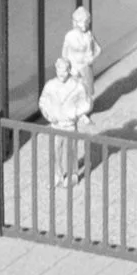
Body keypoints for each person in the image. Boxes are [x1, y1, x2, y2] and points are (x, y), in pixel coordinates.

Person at [38, 56, 90, 187]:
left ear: (69, 70)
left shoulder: (77, 86)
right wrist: (49, 116)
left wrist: (75, 114)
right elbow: (43, 102)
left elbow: (87, 104)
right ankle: (58, 175)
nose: (62, 74)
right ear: (56, 70)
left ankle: (73, 175)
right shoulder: (50, 85)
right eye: (59, 70)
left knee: (71, 151)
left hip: (70, 125)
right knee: (56, 150)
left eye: (65, 71)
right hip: (56, 125)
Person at [61, 6, 101, 107]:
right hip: (74, 68)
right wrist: (69, 69)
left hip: (86, 67)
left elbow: (98, 49)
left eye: (87, 22)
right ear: (75, 22)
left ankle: (84, 110)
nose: (84, 24)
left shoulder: (89, 35)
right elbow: (64, 54)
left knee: (87, 92)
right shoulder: (70, 36)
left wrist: (92, 58)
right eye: (82, 21)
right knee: (75, 91)